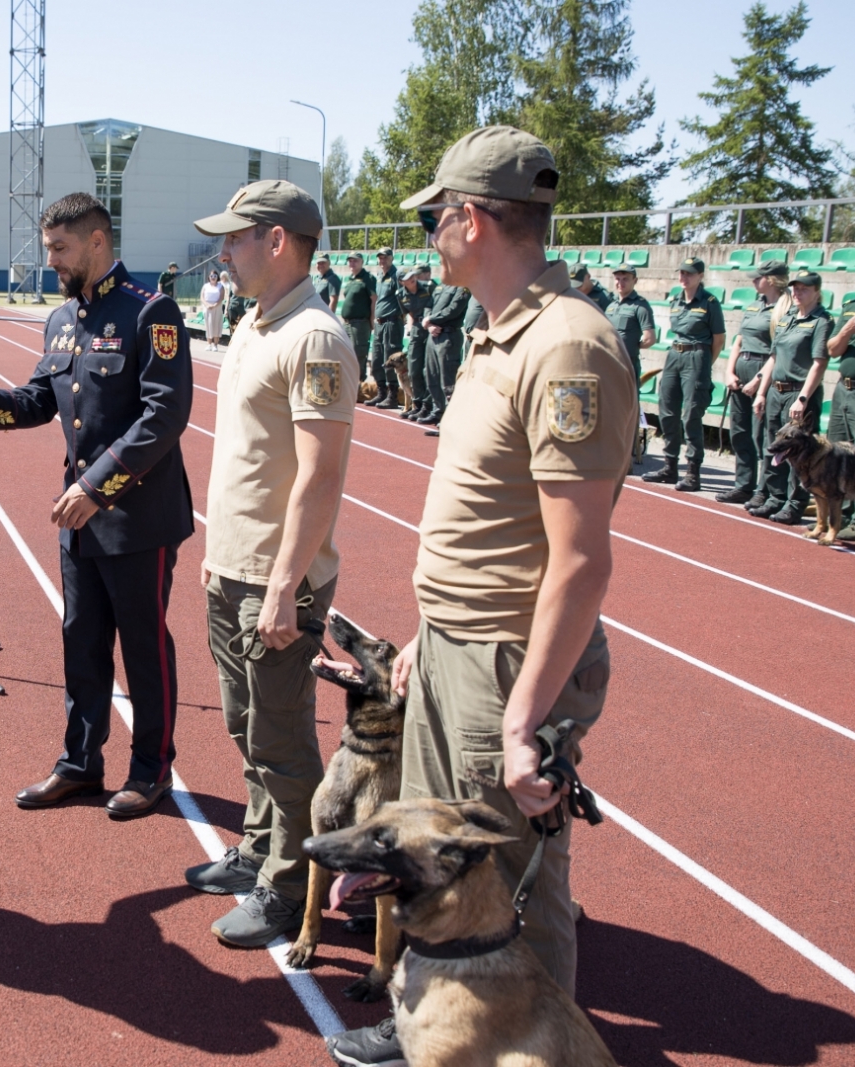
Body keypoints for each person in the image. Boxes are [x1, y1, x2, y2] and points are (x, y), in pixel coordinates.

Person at [327, 126, 635, 1067]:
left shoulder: (569, 345)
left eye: (434, 216)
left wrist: (521, 722)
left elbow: (579, 561)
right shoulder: (500, 329)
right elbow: (491, 524)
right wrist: (430, 627)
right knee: (450, 875)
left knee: (513, 886)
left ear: (469, 218)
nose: (428, 232)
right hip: (456, 645)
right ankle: (441, 1025)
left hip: (507, 664)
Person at [0, 192, 194, 817]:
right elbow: (37, 400)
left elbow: (164, 416)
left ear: (97, 241)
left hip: (136, 517)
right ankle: (81, 764)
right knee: (81, 644)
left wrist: (94, 488)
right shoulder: (61, 321)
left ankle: (151, 769)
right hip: (77, 521)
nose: (49, 257)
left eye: (59, 247)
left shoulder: (151, 313)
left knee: (142, 648)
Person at [186, 179, 358, 948]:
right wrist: (220, 558)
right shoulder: (257, 325)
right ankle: (261, 847)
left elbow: (321, 474)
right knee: (241, 722)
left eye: (235, 237)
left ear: (278, 241)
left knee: (282, 741)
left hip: (276, 579)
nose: (223, 250)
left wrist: (285, 584)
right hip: (235, 567)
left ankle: (293, 888)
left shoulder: (314, 337)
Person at [750, 270, 833, 526]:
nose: (797, 292)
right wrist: (762, 392)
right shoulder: (787, 318)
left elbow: (819, 363)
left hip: (799, 392)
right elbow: (773, 358)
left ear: (817, 292)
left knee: (799, 453)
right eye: (795, 288)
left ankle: (795, 503)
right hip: (777, 389)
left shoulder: (822, 321)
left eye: (804, 289)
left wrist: (804, 398)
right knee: (773, 446)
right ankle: (775, 496)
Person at [643, 258, 725, 493]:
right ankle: (669, 466)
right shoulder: (676, 299)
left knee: (691, 415)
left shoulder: (709, 302)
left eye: (689, 274)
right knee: (667, 410)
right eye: (681, 273)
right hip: (674, 354)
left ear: (700, 276)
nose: (684, 277)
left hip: (697, 356)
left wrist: (704, 364)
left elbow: (719, 340)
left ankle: (693, 471)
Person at [721, 262, 788, 508]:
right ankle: (743, 484)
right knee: (739, 432)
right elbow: (738, 341)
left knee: (761, 436)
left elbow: (778, 351)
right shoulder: (754, 304)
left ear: (771, 280)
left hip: (764, 371)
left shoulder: (784, 308)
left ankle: (763, 489)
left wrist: (758, 380)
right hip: (742, 368)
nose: (753, 281)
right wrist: (729, 372)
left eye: (758, 278)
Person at [825, 276, 855, 542]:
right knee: (837, 451)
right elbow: (832, 349)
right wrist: (847, 331)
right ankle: (842, 511)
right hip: (844, 388)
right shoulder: (852, 306)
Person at [418, 280, 469, 429]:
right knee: (431, 375)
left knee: (448, 379)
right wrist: (429, 325)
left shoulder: (463, 287)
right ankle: (438, 410)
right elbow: (429, 304)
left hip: (448, 335)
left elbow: (454, 309)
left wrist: (432, 320)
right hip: (432, 334)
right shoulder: (441, 285)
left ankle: (450, 417)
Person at [603, 264, 656, 384]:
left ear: (635, 281)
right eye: (617, 279)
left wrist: (629, 347)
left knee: (629, 401)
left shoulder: (640, 306)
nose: (620, 282)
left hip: (627, 363)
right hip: (609, 361)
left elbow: (650, 339)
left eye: (625, 279)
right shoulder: (611, 305)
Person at [364, 247, 402, 409]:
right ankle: (381, 392)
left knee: (390, 358)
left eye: (385, 257)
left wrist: (403, 316)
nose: (382, 260)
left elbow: (402, 298)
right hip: (380, 323)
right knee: (378, 358)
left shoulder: (396, 275)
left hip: (391, 322)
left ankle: (392, 394)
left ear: (391, 258)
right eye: (380, 258)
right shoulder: (379, 276)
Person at [399, 264, 435, 420]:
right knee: (414, 369)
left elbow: (436, 306)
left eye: (413, 276)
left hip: (430, 328)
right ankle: (417, 404)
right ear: (402, 282)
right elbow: (409, 313)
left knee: (428, 369)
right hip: (416, 330)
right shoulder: (400, 294)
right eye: (408, 278)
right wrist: (410, 328)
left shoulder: (428, 287)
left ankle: (428, 405)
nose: (412, 279)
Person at [336, 252, 376, 370]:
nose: (352, 263)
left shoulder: (368, 278)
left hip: (360, 323)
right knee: (346, 354)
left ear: (362, 262)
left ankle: (360, 382)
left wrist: (372, 320)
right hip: (347, 323)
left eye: (355, 261)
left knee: (359, 354)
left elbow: (374, 300)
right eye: (350, 261)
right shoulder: (350, 279)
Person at [200, 270, 225, 351]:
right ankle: (209, 344)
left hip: (217, 307)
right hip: (207, 307)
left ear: (217, 277)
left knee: (216, 325)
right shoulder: (205, 286)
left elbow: (221, 297)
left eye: (215, 276)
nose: (213, 278)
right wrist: (207, 304)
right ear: (209, 277)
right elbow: (202, 297)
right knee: (208, 325)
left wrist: (215, 305)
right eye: (211, 276)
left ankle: (215, 345)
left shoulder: (220, 286)